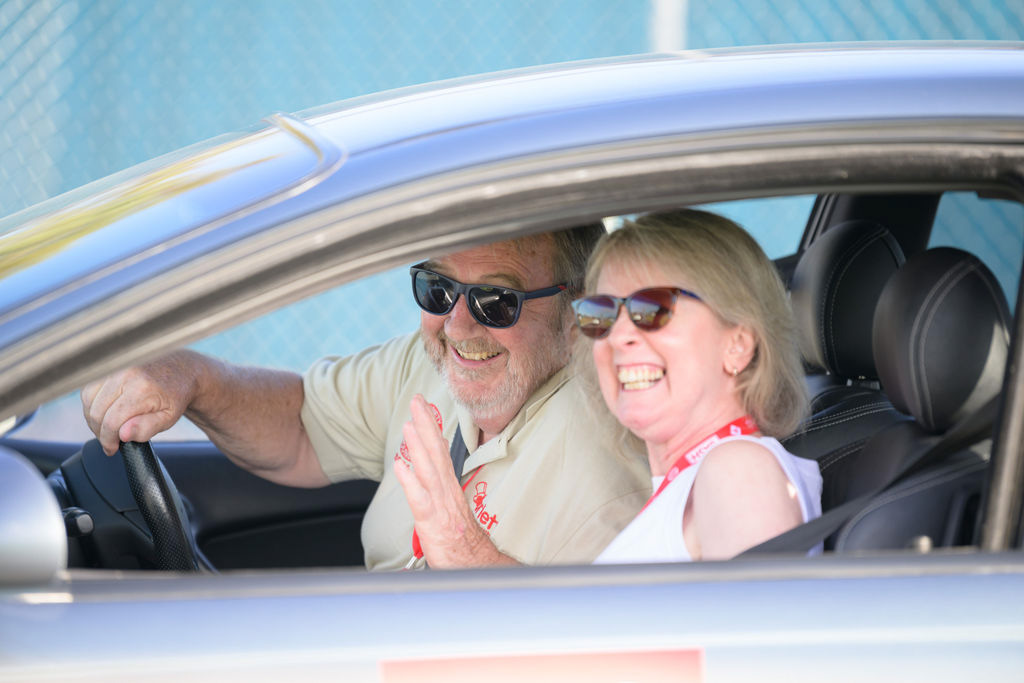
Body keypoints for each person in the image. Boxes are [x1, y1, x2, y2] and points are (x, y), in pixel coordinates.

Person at [81, 225, 651, 570]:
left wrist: (466, 555)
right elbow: (302, 426)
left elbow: (597, 656)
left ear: (578, 310)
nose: (456, 326)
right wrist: (192, 376)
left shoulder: (612, 472)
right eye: (437, 289)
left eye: (496, 302)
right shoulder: (428, 364)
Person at [569, 209, 821, 563]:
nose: (619, 335)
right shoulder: (696, 482)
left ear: (737, 344)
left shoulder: (738, 471)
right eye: (602, 312)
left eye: (653, 307)